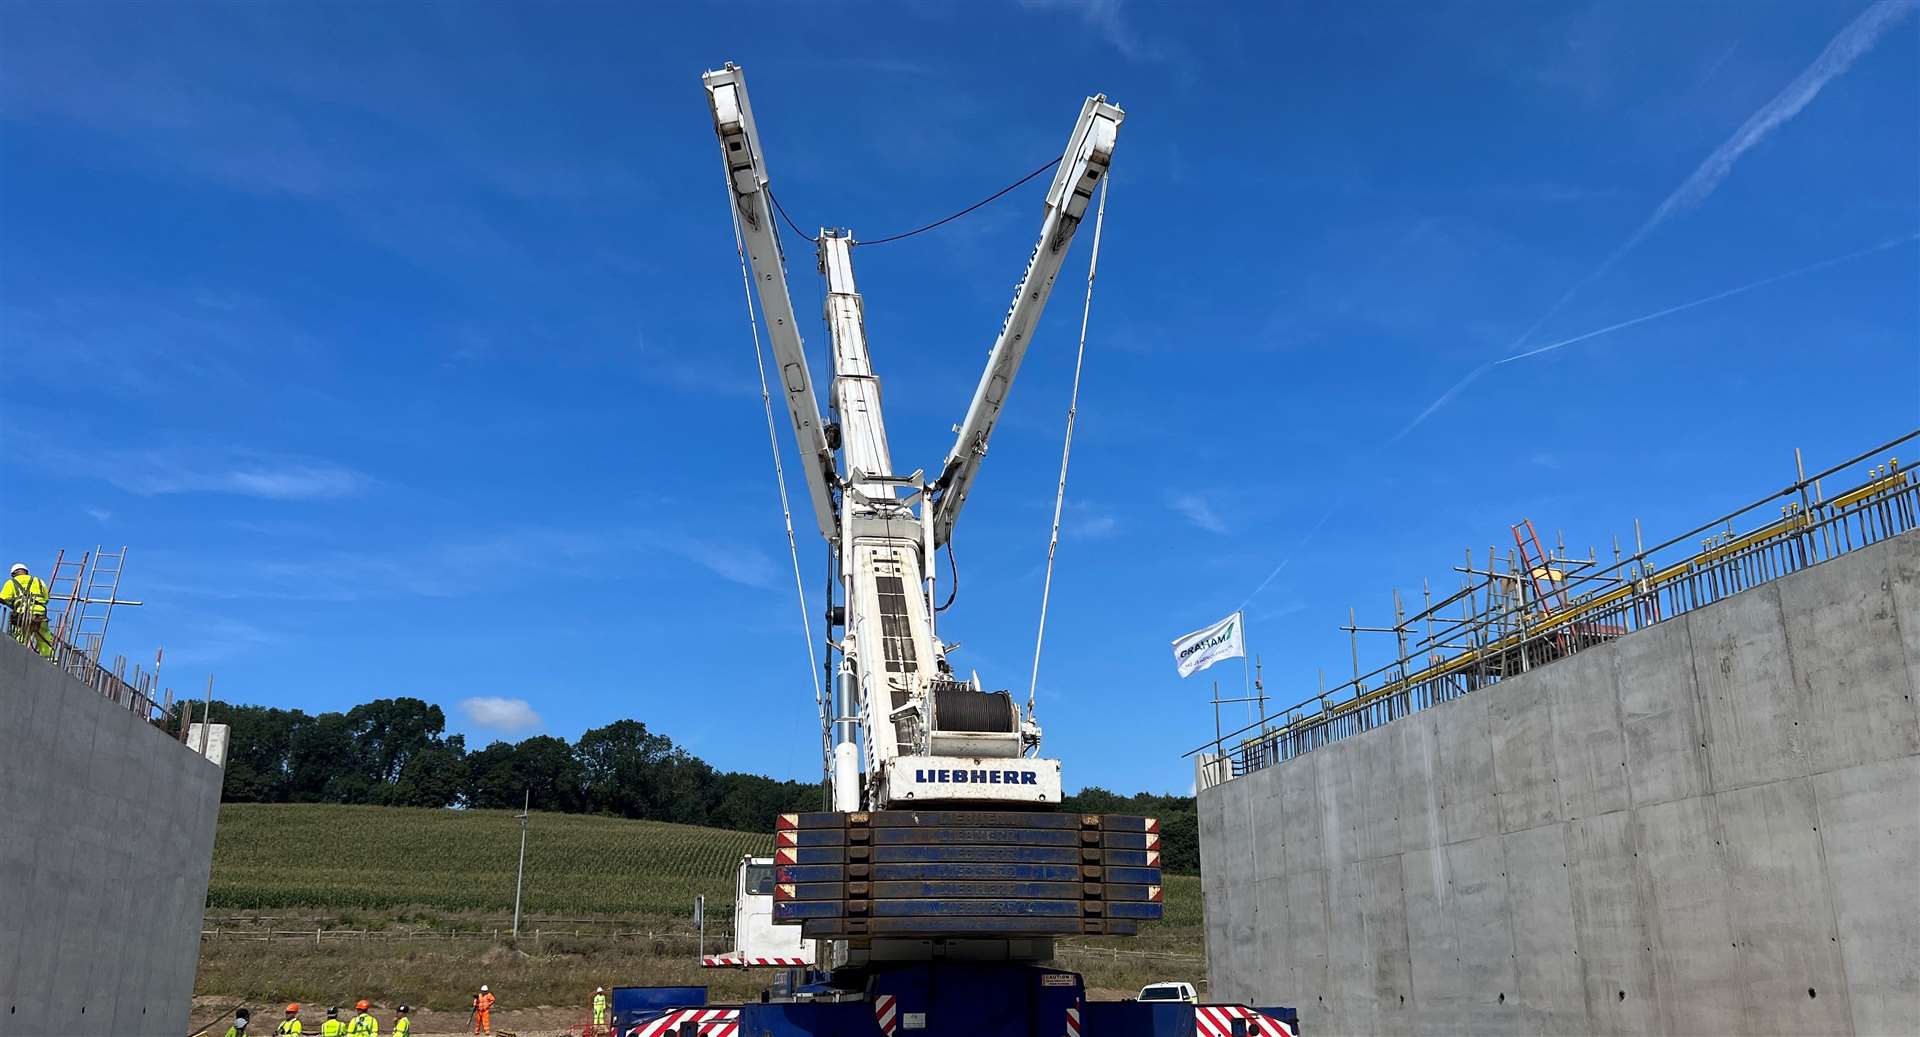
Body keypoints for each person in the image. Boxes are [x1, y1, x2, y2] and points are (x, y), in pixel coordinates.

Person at [1, 563, 52, 658]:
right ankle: (50, 659)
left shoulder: (11, 582)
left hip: (23, 614)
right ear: (26, 572)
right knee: (44, 638)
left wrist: (13, 603)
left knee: (20, 637)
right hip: (40, 614)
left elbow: (4, 598)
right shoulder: (39, 581)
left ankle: (18, 656)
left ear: (13, 574)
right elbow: (46, 599)